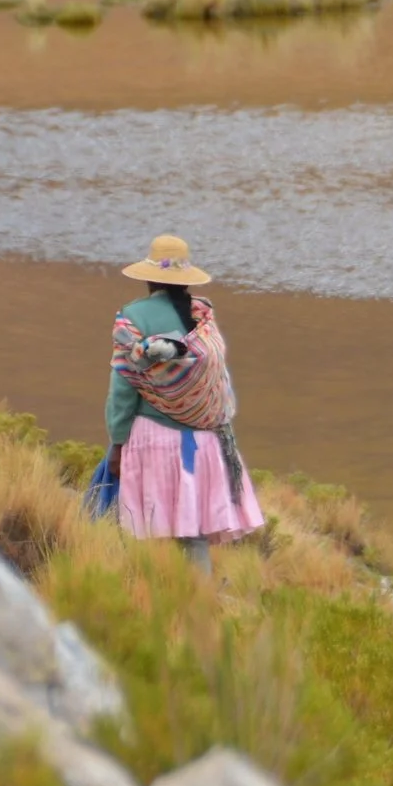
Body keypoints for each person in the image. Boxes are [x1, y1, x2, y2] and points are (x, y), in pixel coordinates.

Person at [105, 234, 263, 570]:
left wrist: (117, 443)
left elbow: (123, 390)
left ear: (149, 276)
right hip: (205, 441)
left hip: (155, 439)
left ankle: (155, 597)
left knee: (147, 526)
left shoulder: (132, 317)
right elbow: (215, 378)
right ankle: (200, 605)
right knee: (193, 534)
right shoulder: (202, 316)